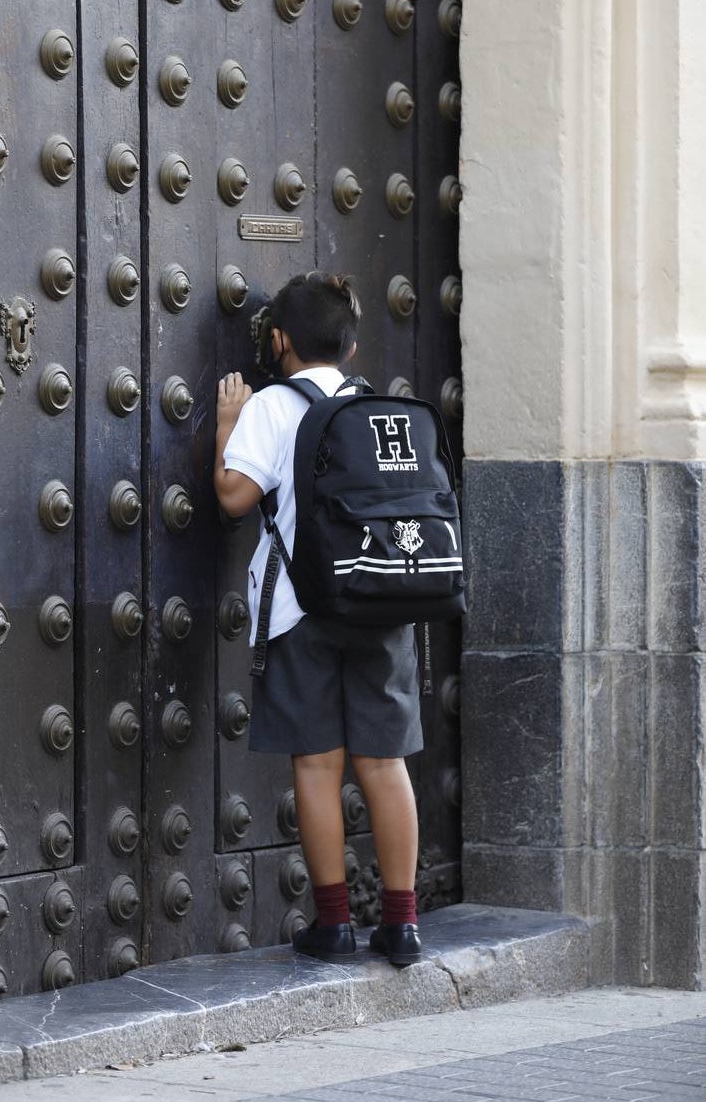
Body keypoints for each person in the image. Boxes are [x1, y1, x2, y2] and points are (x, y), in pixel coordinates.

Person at [213, 271, 422, 967]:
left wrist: (225, 428)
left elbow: (235, 496)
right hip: (380, 603)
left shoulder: (271, 407)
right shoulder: (373, 408)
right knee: (384, 762)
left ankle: (333, 923)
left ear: (277, 342)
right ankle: (402, 924)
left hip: (300, 609)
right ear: (352, 346)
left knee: (318, 762)